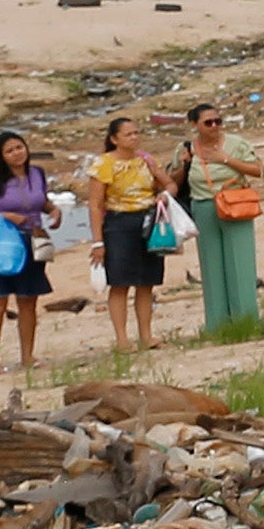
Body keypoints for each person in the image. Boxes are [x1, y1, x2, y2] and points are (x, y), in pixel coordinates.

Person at [0, 129, 55, 374]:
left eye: (19, 147)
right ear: (1, 156)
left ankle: (27, 356)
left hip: (31, 241)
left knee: (28, 301)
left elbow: (40, 201)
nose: (17, 154)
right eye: (9, 151)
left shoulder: (36, 174)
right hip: (2, 244)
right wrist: (6, 216)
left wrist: (54, 210)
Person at [83, 116, 168, 352]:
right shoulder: (104, 164)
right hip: (119, 223)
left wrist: (163, 193)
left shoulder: (146, 160)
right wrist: (97, 240)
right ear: (114, 139)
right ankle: (122, 339)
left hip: (147, 219)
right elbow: (96, 204)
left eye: (136, 133)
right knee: (120, 282)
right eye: (128, 134)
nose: (134, 137)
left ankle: (146, 335)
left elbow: (169, 184)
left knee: (146, 281)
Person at [175, 103, 261, 332]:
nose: (214, 126)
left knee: (240, 262)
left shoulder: (235, 144)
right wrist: (184, 164)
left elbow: (258, 170)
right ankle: (217, 325)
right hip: (203, 206)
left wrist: (225, 159)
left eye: (218, 121)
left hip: (235, 203)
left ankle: (247, 320)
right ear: (195, 125)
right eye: (208, 123)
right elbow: (173, 181)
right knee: (211, 266)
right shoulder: (186, 148)